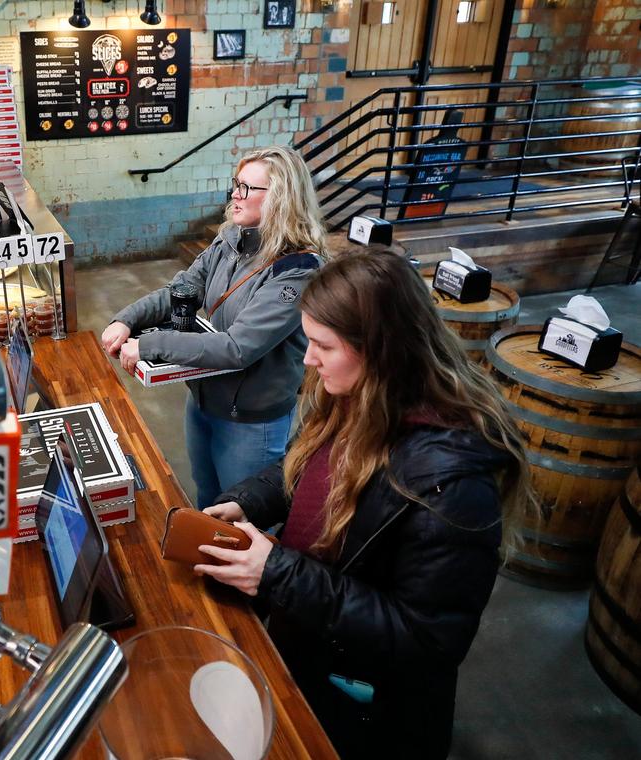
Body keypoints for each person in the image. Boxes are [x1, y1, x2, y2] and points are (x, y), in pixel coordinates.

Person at [195, 250, 536, 759]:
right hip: (311, 645)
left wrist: (279, 573)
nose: (308, 359)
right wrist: (248, 502)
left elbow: (427, 641)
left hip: (367, 710)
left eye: (322, 345)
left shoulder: (452, 485)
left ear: (380, 349)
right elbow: (307, 463)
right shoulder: (359, 396)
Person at [100, 146, 329, 508]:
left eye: (247, 188)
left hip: (250, 422)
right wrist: (127, 319)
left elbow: (237, 349)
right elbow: (183, 291)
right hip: (204, 400)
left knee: (242, 515)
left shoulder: (297, 270)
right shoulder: (231, 239)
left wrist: (151, 345)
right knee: (206, 499)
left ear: (281, 198)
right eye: (236, 184)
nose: (235, 195)